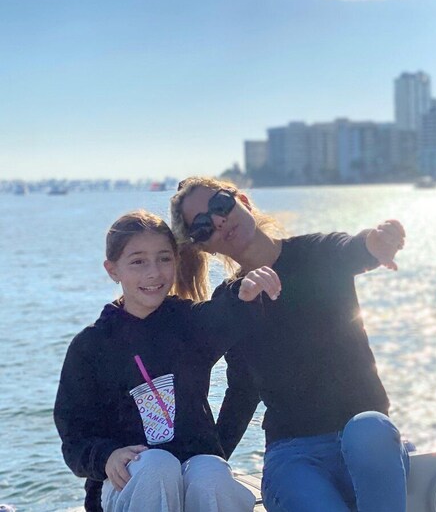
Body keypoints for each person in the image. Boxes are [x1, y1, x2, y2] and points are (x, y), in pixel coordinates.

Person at [170, 177, 409, 512]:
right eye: (203, 226)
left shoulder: (315, 252)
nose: (219, 221)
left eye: (220, 205)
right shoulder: (232, 301)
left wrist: (378, 242)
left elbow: (355, 249)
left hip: (367, 445)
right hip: (294, 458)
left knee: (370, 427)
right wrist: (205, 466)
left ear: (243, 201)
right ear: (204, 246)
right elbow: (242, 391)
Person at [54, 210, 280, 512]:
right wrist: (106, 457)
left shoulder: (189, 323)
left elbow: (228, 316)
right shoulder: (91, 346)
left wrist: (247, 290)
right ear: (112, 270)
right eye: (138, 262)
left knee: (211, 471)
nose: (154, 273)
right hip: (128, 484)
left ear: (176, 261)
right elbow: (74, 437)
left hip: (193, 473)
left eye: (164, 259)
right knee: (158, 465)